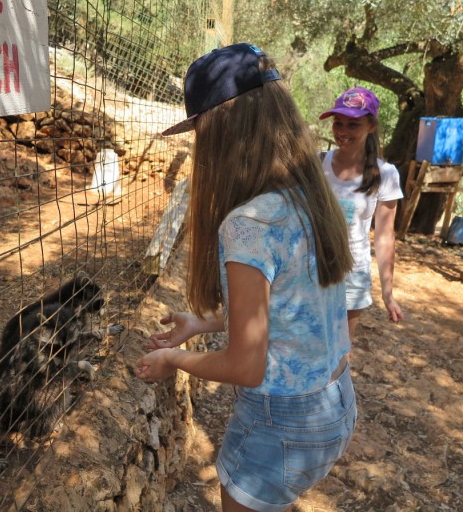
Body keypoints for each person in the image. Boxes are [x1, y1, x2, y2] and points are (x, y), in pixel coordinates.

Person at [134, 43, 357, 512]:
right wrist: (200, 324)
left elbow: (245, 366)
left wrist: (175, 358)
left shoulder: (249, 224)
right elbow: (292, 309)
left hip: (281, 423)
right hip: (335, 403)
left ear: (221, 132)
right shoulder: (311, 199)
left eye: (200, 132)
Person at [318, 87, 405, 338]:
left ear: (371, 126)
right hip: (311, 269)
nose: (342, 132)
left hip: (352, 273)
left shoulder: (385, 174)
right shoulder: (316, 163)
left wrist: (387, 294)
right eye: (338, 123)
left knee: (340, 352)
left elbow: (385, 238)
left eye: (353, 125)